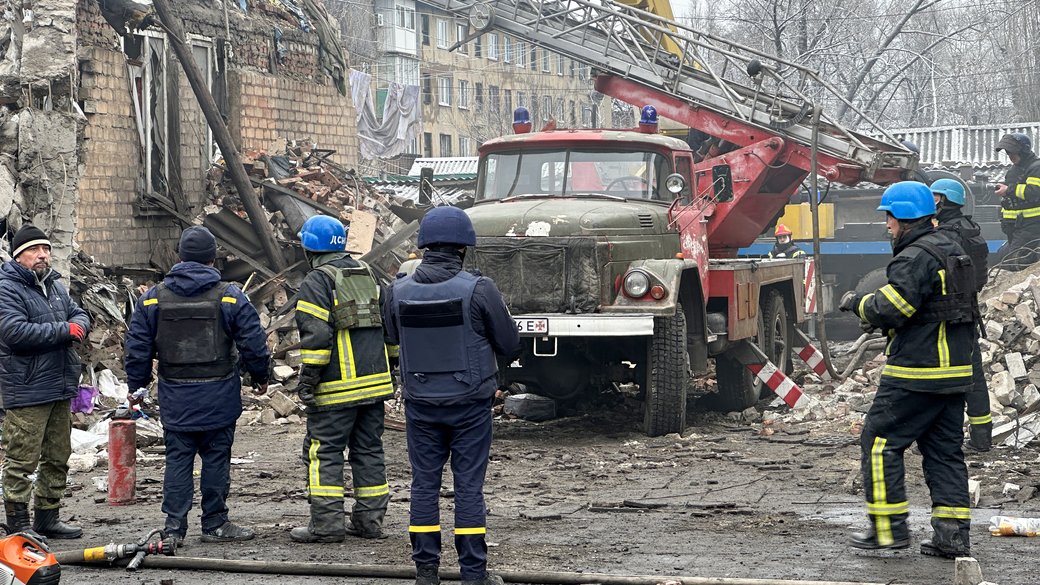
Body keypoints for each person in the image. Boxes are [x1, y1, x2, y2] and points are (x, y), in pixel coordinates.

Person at [382, 206, 521, 585]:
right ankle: (473, 574)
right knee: (468, 487)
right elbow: (509, 343)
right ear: (464, 248)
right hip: (471, 406)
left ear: (423, 246)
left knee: (424, 483)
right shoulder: (479, 288)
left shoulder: (396, 291)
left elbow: (391, 337)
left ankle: (426, 572)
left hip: (421, 405)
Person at [838, 181, 974, 559]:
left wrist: (859, 304)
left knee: (880, 444)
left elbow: (893, 308)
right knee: (944, 453)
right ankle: (952, 537)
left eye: (889, 217)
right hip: (955, 372)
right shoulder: (952, 249)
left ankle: (887, 530)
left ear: (904, 217)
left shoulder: (914, 257)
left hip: (918, 371)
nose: (886, 225)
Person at [124, 226, 271, 546]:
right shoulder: (230, 295)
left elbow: (137, 347)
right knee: (216, 458)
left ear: (180, 257)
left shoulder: (152, 299)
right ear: (212, 258)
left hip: (176, 395)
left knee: (178, 459)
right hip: (219, 393)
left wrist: (137, 386)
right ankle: (215, 523)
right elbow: (253, 342)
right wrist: (261, 377)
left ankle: (174, 527)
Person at [289, 215, 395, 544]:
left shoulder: (317, 281)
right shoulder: (369, 274)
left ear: (309, 248)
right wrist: (392, 369)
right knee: (368, 450)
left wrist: (308, 379)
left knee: (324, 452)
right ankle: (370, 521)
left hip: (336, 389)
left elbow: (316, 335)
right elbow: (390, 327)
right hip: (375, 384)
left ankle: (326, 525)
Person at [0, 224, 90, 540]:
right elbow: (13, 332)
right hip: (27, 389)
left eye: (46, 249)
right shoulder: (6, 288)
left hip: (60, 384)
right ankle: (18, 524)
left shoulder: (54, 286)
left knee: (58, 455)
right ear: (18, 256)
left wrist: (76, 324)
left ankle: (47, 517)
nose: (42, 255)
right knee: (21, 459)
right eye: (34, 250)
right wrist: (64, 331)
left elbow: (80, 314)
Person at [931, 178, 991, 451]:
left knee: (943, 378)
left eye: (934, 197)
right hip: (969, 311)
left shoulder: (945, 236)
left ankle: (942, 438)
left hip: (947, 315)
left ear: (943, 200)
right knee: (974, 377)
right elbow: (979, 278)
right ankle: (982, 439)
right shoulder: (972, 231)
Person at [994, 133, 1040, 271]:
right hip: (1015, 227)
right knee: (1006, 259)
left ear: (1024, 151)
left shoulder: (1036, 167)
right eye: (1008, 153)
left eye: (1012, 152)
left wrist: (1009, 190)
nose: (1010, 156)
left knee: (1014, 263)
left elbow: (1034, 191)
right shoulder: (1015, 170)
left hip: (1031, 226)